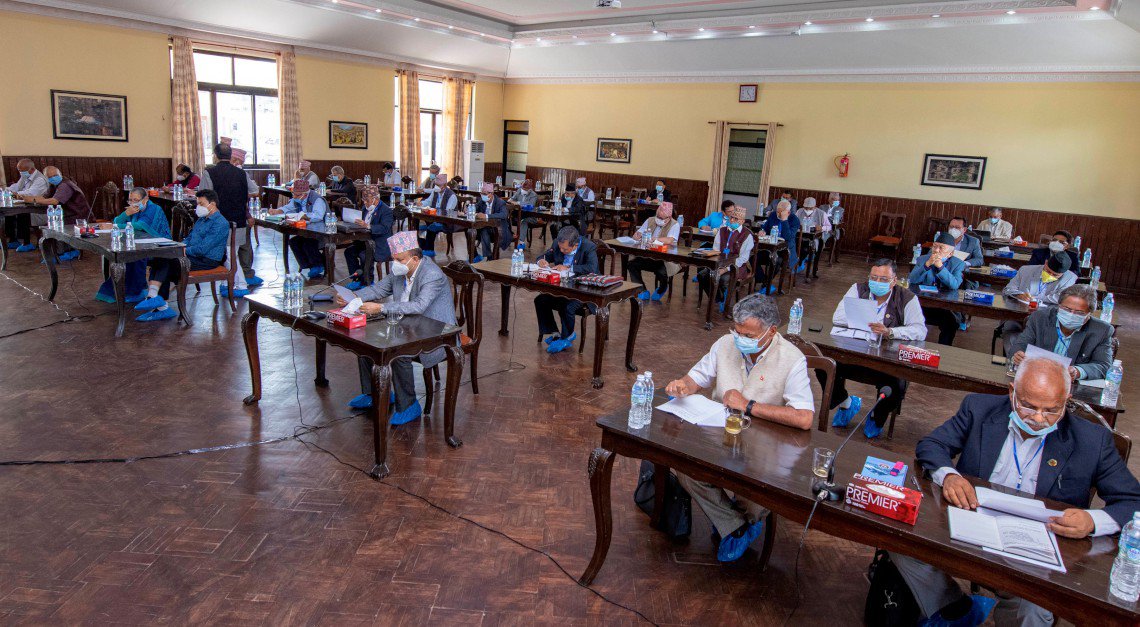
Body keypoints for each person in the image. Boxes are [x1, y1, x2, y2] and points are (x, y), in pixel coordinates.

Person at [886, 357, 1140, 627]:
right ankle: (954, 610)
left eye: (1051, 410)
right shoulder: (979, 409)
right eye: (1028, 406)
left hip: (1037, 552)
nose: (1039, 419)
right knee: (901, 542)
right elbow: (932, 445)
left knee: (1033, 611)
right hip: (970, 527)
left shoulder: (1092, 440)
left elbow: (1133, 501)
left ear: (1066, 400)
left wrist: (1092, 521)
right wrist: (949, 475)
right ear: (1012, 393)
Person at [664, 295, 815, 562]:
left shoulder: (792, 359)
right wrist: (682, 386)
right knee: (685, 466)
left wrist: (748, 405)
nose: (739, 339)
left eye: (748, 335)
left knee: (755, 497)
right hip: (719, 433)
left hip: (765, 448)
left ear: (771, 331)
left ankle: (735, 520)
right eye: (737, 331)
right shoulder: (725, 344)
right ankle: (734, 525)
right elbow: (696, 378)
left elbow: (804, 418)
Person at [341, 231, 456, 426]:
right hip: (407, 324)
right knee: (366, 340)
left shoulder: (432, 274)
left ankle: (409, 404)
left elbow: (419, 306)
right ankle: (372, 393)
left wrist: (381, 308)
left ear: (415, 258)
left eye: (399, 259)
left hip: (435, 331)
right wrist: (354, 297)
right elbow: (378, 289)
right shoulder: (400, 270)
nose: (395, 263)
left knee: (399, 351)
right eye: (394, 258)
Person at [826, 259, 927, 438]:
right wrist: (866, 321)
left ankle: (877, 417)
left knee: (896, 384)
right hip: (855, 351)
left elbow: (920, 330)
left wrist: (890, 331)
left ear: (894, 281)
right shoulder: (858, 289)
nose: (877, 282)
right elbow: (837, 317)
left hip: (886, 358)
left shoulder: (907, 298)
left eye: (883, 279)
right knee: (825, 365)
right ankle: (846, 403)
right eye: (873, 278)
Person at [133, 189, 230, 321]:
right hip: (192, 255)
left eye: (201, 204)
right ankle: (155, 299)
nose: (198, 207)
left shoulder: (220, 223)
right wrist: (179, 246)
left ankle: (159, 304)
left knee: (167, 262)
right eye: (197, 203)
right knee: (161, 257)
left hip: (207, 260)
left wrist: (183, 250)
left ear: (212, 204)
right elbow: (189, 238)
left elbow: (203, 249)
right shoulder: (202, 219)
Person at [1010, 285, 1113, 381]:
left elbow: (1103, 366)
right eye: (1066, 309)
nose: (1071, 315)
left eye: (1079, 312)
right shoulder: (1040, 318)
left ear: (1089, 314)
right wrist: (1018, 355)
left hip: (1069, 385)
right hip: (1036, 378)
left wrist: (1077, 371)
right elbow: (1020, 345)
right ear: (1059, 306)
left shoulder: (1102, 330)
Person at [200, 143, 262, 295]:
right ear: (230, 156)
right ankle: (226, 282)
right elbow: (254, 190)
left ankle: (240, 285)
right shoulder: (241, 173)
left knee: (228, 255)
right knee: (230, 253)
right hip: (239, 219)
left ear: (215, 156)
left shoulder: (209, 172)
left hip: (219, 220)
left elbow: (203, 195)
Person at [95, 187, 172, 304]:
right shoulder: (133, 210)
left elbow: (141, 225)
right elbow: (117, 221)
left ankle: (136, 291)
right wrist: (126, 214)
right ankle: (120, 291)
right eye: (130, 200)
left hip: (159, 245)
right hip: (141, 242)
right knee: (127, 253)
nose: (132, 203)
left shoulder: (154, 208)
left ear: (145, 199)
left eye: (136, 200)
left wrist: (115, 226)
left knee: (135, 256)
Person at [534, 227, 599, 354]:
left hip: (585, 289)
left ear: (575, 245)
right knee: (541, 300)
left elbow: (591, 268)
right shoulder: (557, 244)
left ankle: (567, 336)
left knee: (567, 305)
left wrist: (569, 268)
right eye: (560, 248)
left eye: (565, 249)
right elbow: (545, 256)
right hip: (563, 286)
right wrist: (541, 260)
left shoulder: (588, 247)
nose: (561, 251)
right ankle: (555, 333)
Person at [997, 253, 1077, 354]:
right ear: (1046, 263)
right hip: (1017, 318)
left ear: (1063, 273)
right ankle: (1013, 357)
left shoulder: (1070, 278)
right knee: (1012, 334)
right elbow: (1008, 289)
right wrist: (1019, 294)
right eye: (1048, 271)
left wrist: (1035, 298)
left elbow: (1061, 298)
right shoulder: (1025, 270)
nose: (1050, 275)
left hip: (1045, 321)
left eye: (1055, 275)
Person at [21, 166, 90, 261]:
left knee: (54, 227)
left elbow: (55, 201)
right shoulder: (54, 185)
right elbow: (44, 197)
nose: (53, 178)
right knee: (48, 225)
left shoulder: (65, 185)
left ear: (60, 174)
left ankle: (65, 252)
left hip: (78, 217)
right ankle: (58, 252)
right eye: (50, 177)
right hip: (66, 215)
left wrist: (34, 200)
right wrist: (29, 198)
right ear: (46, 178)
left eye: (55, 175)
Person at [909, 233, 966, 345]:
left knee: (951, 322)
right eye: (934, 246)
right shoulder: (923, 259)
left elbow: (954, 284)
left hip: (944, 306)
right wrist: (927, 265)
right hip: (922, 303)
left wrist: (940, 267)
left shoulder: (958, 264)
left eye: (941, 248)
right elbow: (913, 279)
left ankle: (943, 349)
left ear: (950, 253)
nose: (936, 250)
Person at [697, 205, 754, 308]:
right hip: (720, 263)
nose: (732, 220)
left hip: (737, 267)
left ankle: (724, 300)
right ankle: (719, 298)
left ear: (742, 221)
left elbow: (743, 259)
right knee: (702, 275)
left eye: (736, 219)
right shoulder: (722, 230)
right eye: (731, 217)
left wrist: (725, 269)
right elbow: (716, 250)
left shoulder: (747, 235)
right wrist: (718, 266)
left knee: (722, 279)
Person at [270, 179, 329, 279]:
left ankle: (319, 265)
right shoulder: (296, 198)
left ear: (305, 194)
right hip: (307, 229)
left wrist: (304, 216)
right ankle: (308, 265)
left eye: (297, 195)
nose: (294, 197)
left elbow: (318, 216)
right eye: (293, 194)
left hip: (322, 231)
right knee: (294, 242)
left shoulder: (317, 199)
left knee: (308, 243)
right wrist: (278, 211)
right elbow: (288, 207)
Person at [627, 202, 681, 301]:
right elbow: (638, 233)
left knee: (661, 272)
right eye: (658, 216)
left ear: (669, 217)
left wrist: (655, 239)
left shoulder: (674, 224)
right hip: (648, 256)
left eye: (661, 218)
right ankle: (642, 290)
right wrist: (636, 235)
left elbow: (670, 240)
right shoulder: (650, 220)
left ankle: (662, 288)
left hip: (665, 260)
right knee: (632, 264)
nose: (658, 219)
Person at [343, 185, 393, 290]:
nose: (365, 203)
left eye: (368, 201)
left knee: (364, 255)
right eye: (364, 200)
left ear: (376, 198)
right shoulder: (365, 208)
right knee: (349, 252)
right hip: (365, 241)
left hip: (379, 244)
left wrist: (367, 226)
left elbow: (384, 228)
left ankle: (367, 282)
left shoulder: (386, 210)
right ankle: (357, 279)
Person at [4, 158, 49, 252]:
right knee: (8, 213)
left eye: (22, 171)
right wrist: (6, 190)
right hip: (27, 204)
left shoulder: (40, 179)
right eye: (19, 170)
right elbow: (17, 186)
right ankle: (13, 240)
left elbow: (30, 193)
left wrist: (15, 194)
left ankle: (27, 243)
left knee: (23, 214)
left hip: (39, 207)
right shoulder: (25, 175)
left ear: (31, 169)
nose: (21, 173)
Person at [417, 173, 458, 257]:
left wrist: (433, 211)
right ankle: (423, 247)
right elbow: (428, 201)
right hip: (435, 218)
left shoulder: (451, 196)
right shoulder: (435, 191)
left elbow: (447, 212)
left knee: (431, 227)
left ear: (445, 185)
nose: (436, 187)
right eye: (436, 185)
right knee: (419, 227)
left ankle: (429, 250)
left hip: (447, 222)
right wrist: (421, 203)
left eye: (438, 185)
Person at [794, 197, 833, 280]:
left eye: (810, 208)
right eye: (806, 208)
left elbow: (829, 227)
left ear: (815, 206)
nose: (807, 210)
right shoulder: (799, 211)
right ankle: (798, 263)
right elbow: (794, 223)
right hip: (800, 237)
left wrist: (822, 228)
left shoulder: (821, 213)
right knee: (795, 246)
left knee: (806, 248)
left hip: (814, 239)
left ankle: (801, 262)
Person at [760, 199, 801, 272]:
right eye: (777, 211)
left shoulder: (794, 220)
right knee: (753, 258)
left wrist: (784, 221)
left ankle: (768, 280)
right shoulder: (773, 214)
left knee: (776, 261)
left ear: (788, 212)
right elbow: (765, 227)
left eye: (781, 212)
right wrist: (762, 231)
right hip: (772, 248)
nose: (778, 214)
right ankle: (763, 278)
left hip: (786, 250)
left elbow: (787, 237)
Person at [475, 182, 510, 263]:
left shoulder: (500, 202)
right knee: (477, 231)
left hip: (499, 228)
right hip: (486, 227)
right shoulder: (482, 201)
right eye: (481, 193)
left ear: (491, 194)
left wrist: (486, 216)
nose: (482, 195)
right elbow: (475, 207)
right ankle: (488, 256)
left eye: (484, 194)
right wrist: (468, 208)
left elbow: (504, 215)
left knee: (483, 230)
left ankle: (489, 257)